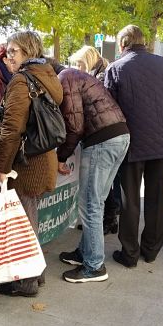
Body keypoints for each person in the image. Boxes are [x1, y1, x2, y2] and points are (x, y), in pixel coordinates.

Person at [104, 25, 163, 267]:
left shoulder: (116, 68)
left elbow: (108, 107)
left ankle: (130, 253)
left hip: (132, 141)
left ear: (122, 44)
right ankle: (151, 250)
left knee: (129, 199)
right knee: (156, 198)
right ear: (144, 42)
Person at [0, 31, 63, 296]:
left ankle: (26, 281)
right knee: (29, 216)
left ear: (27, 52)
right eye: (7, 51)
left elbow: (11, 128)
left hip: (26, 163)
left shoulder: (22, 80)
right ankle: (36, 273)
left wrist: (1, 166)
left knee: (22, 222)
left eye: (13, 51)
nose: (7, 56)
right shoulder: (46, 75)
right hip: (42, 157)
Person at [55, 64, 130, 283]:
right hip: (119, 135)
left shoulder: (65, 78)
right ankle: (85, 252)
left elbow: (75, 125)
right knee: (96, 201)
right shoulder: (76, 75)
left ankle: (94, 265)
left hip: (102, 141)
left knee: (90, 204)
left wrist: (61, 156)